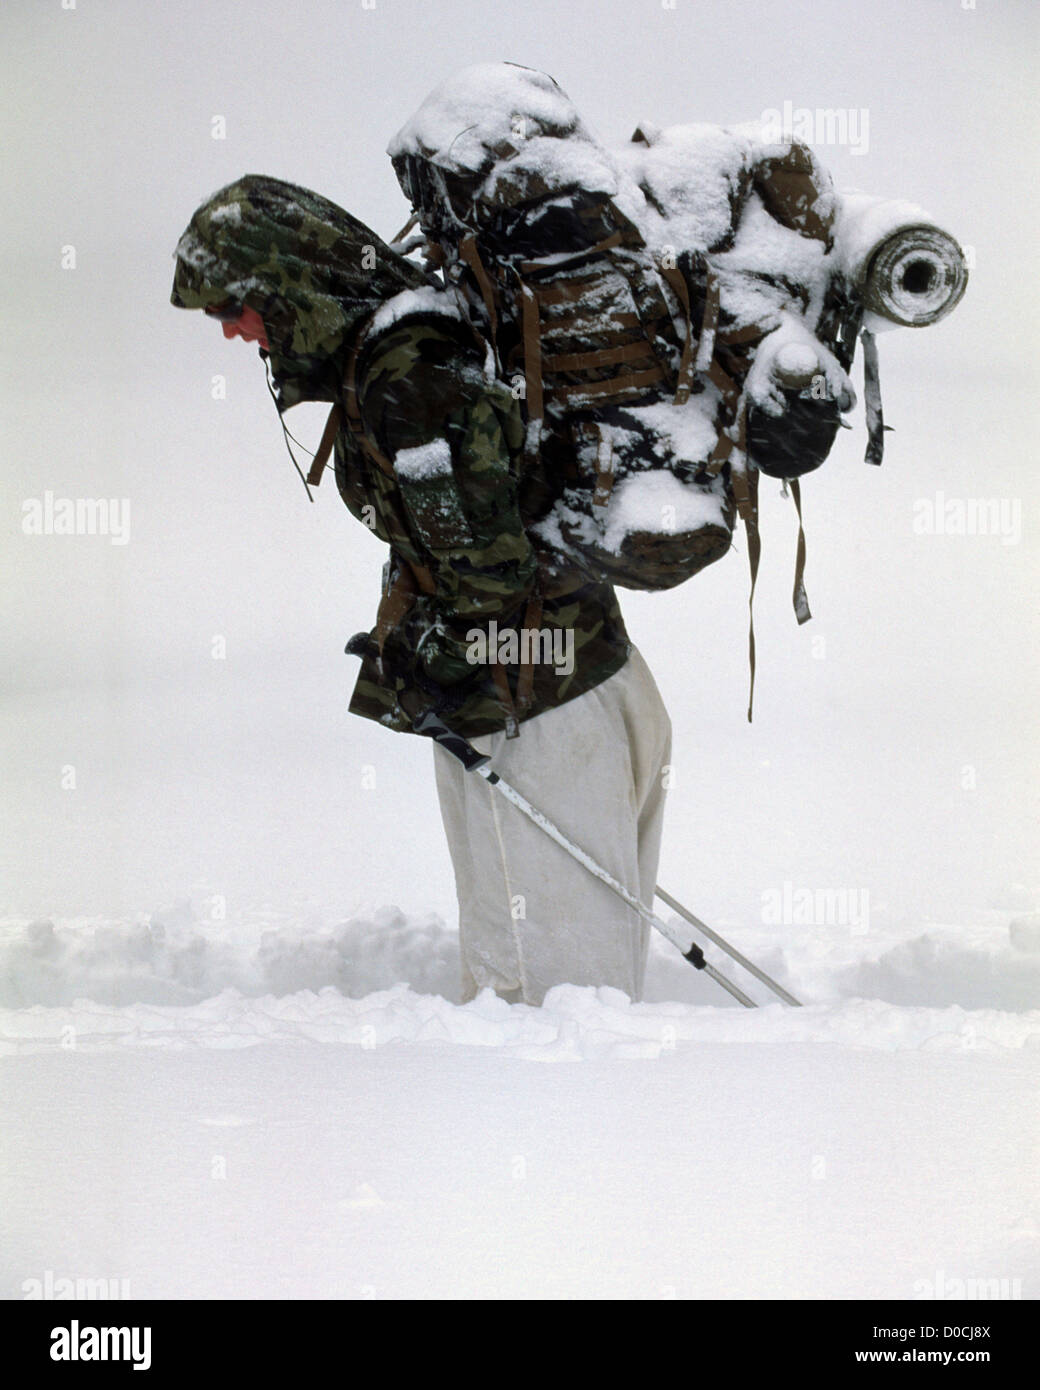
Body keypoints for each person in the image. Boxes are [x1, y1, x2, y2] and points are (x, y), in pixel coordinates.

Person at [171, 174, 671, 1006]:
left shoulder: (408, 380)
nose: (230, 331)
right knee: (544, 995)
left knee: (560, 1019)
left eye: (233, 305)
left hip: (541, 713)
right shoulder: (408, 344)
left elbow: (487, 575)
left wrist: (423, 657)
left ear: (287, 286)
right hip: (563, 686)